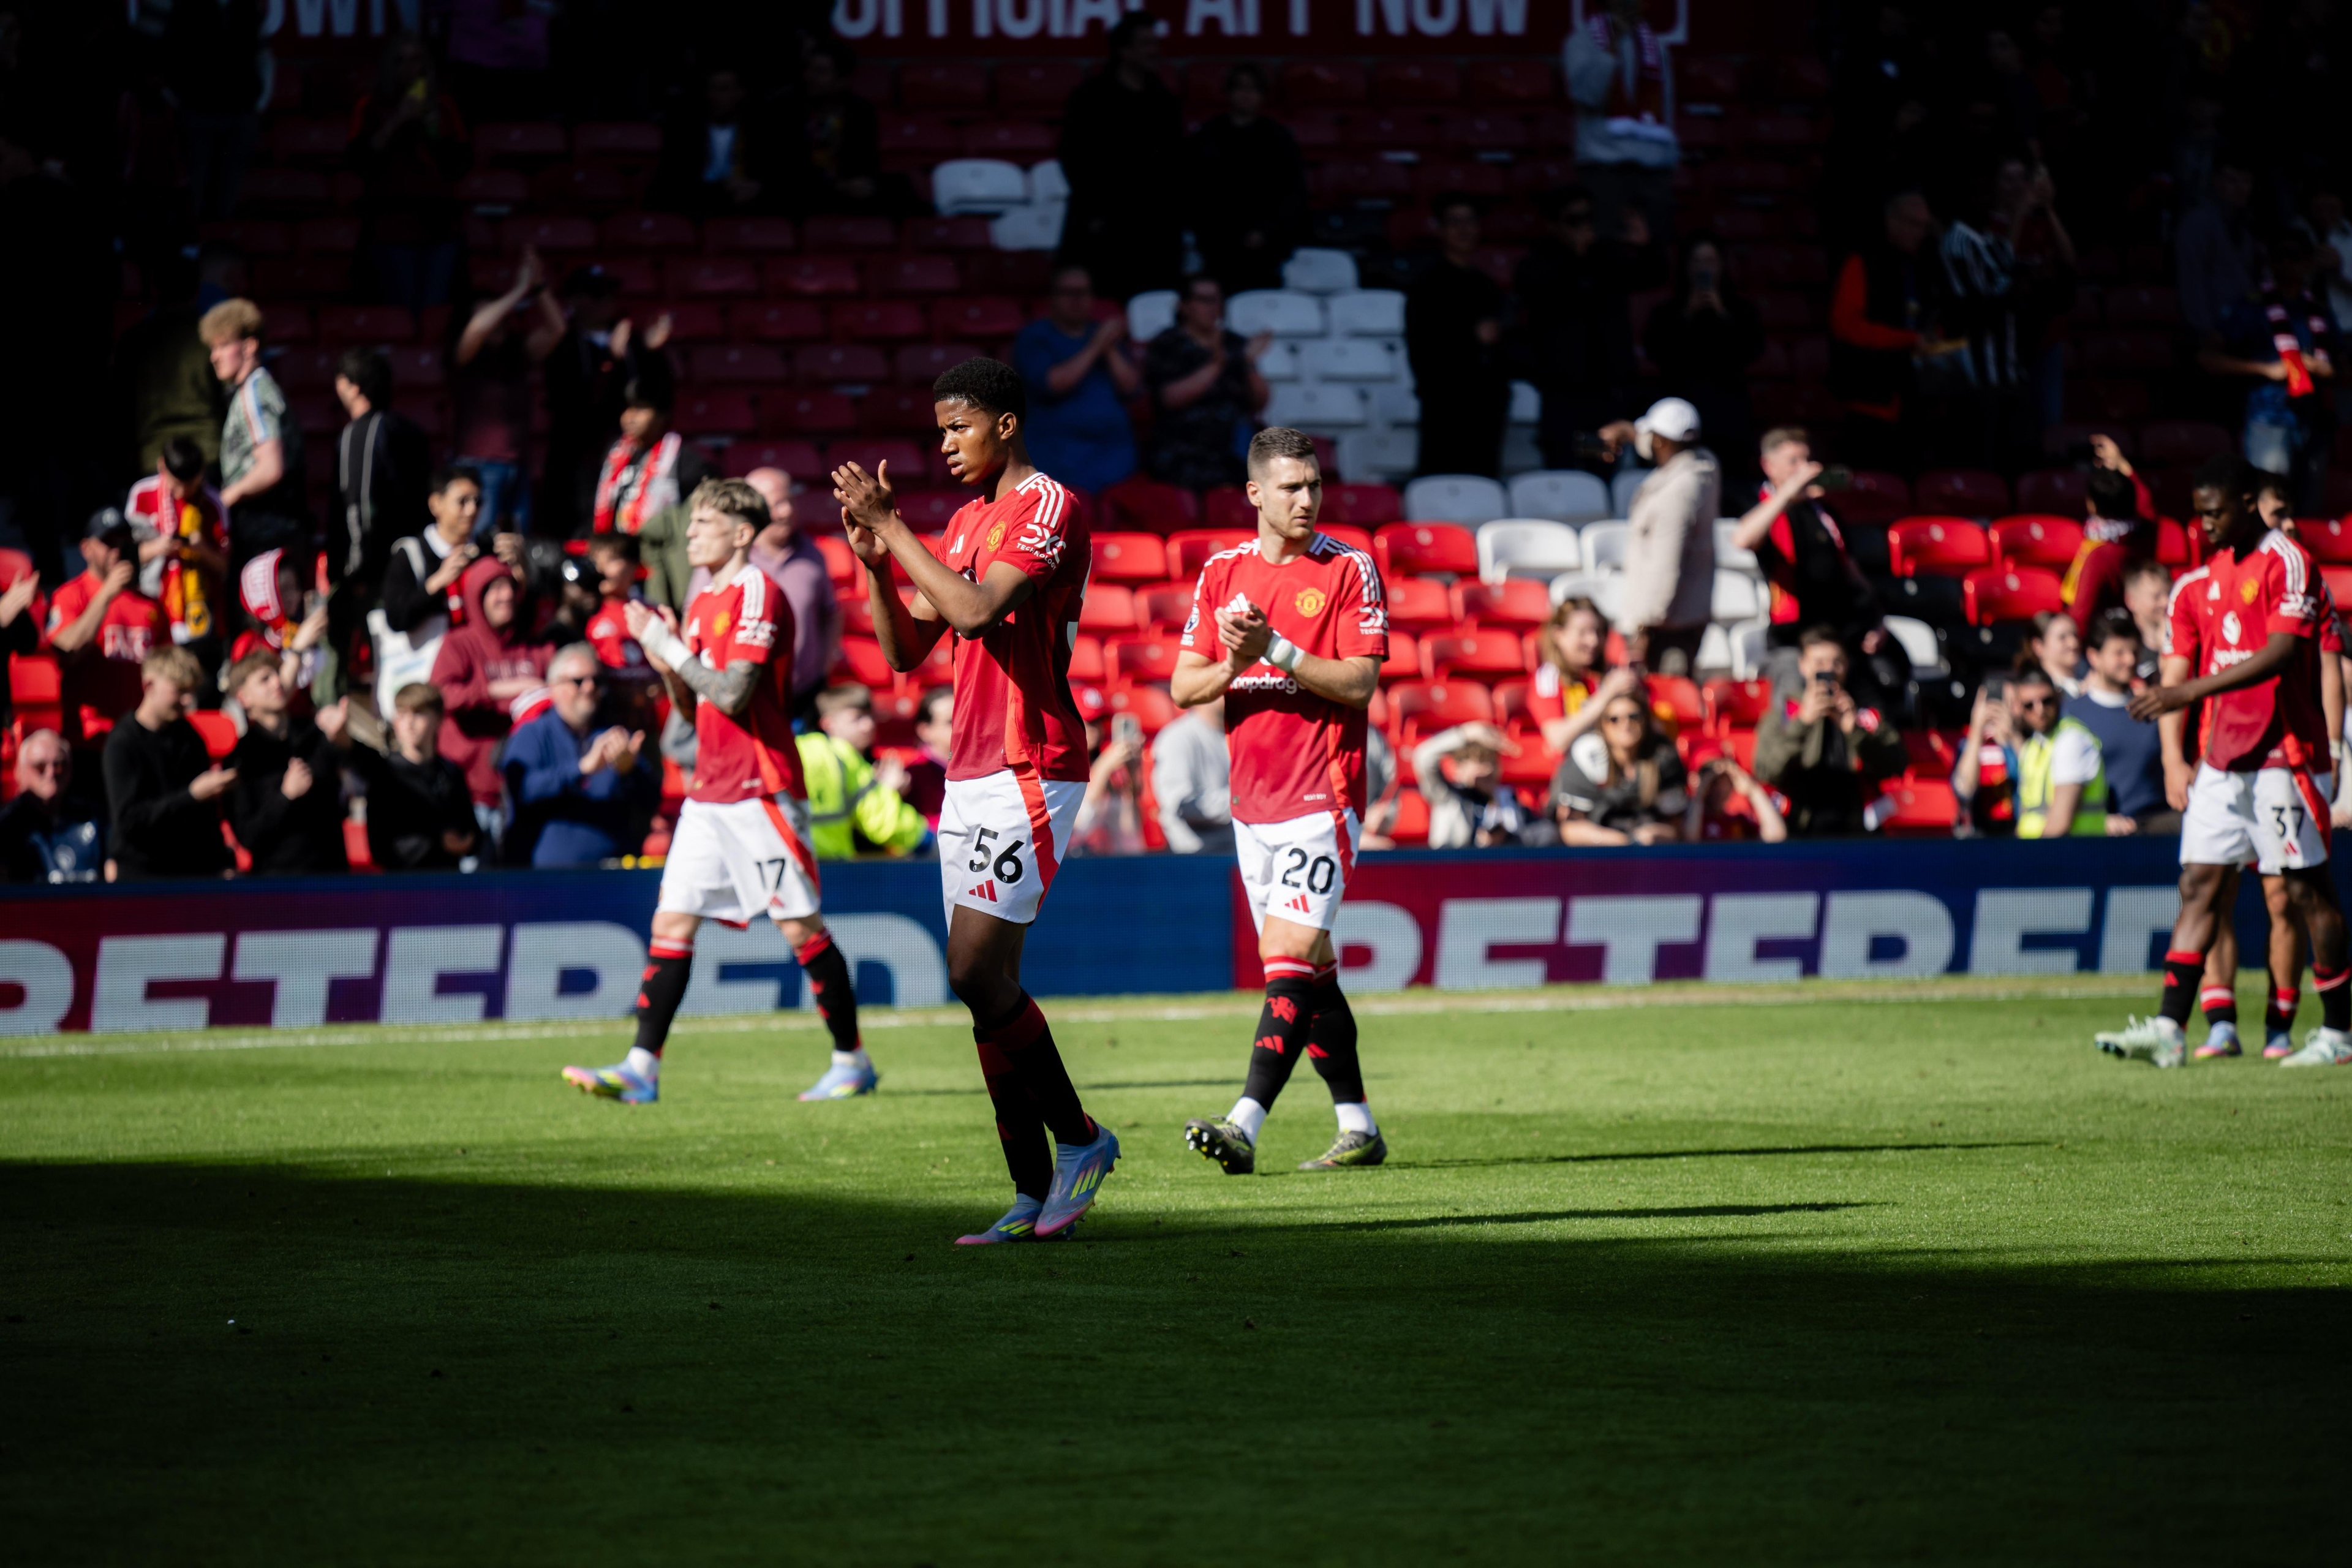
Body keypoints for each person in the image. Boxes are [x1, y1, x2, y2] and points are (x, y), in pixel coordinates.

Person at [835, 356, 1118, 1244]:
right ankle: (1032, 1193)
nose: (945, 444)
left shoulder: (1047, 506)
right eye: (939, 430)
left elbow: (970, 611)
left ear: (1003, 423)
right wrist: (877, 563)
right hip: (970, 771)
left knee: (971, 973)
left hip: (1031, 760)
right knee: (985, 985)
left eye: (957, 426)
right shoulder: (964, 519)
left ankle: (1081, 1139)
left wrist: (895, 524)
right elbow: (907, 651)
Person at [563, 478, 870, 1106]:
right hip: (710, 788)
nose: (692, 532)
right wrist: (667, 659)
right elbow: (692, 701)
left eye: (704, 522)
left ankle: (852, 1059)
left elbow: (733, 693)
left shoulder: (759, 591)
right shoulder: (704, 600)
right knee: (672, 919)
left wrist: (669, 646)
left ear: (740, 532)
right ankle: (641, 1067)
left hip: (762, 787)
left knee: (800, 927)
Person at [1169, 428, 1389, 1174]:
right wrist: (1234, 659)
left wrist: (1279, 652)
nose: (1307, 498)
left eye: (1315, 484)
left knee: (1287, 959)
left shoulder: (1348, 568)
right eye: (1290, 486)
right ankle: (1358, 1127)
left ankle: (1244, 1123)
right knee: (1313, 969)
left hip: (1321, 796)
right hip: (1251, 806)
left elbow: (1360, 683)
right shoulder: (1222, 573)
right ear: (1256, 494)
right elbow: (1183, 687)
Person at [2097, 456, 2352, 1069]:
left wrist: (2185, 692)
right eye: (2199, 512)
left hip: (2284, 755)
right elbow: (2178, 669)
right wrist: (2173, 749)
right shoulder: (2194, 585)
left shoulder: (2287, 563)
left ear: (2245, 503)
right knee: (2199, 885)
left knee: (2304, 890)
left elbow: (2282, 652)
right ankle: (2169, 1027)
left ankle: (2338, 1032)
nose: (2205, 523)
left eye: (2215, 512)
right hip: (2221, 758)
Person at [1512, 186, 1667, 474]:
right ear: (1555, 225)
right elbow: (1535, 291)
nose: (1584, 227)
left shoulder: (1606, 260)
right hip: (1564, 398)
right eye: (1574, 220)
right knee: (1565, 473)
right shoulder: (1539, 264)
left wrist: (1645, 246)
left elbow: (1654, 276)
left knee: (1601, 468)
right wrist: (1575, 256)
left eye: (1589, 219)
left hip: (1604, 395)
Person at [1733, 428, 1900, 679]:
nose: (1804, 468)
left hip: (1841, 632)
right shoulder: (1761, 505)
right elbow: (1743, 539)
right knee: (1795, 684)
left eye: (1807, 460)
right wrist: (1787, 493)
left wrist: (1877, 619)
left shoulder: (1826, 513)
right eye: (1794, 461)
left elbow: (1853, 574)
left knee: (1889, 674)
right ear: (1768, 465)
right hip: (1794, 637)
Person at [2199, 234, 2338, 512]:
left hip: (2314, 422)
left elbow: (2342, 364)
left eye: (2296, 256)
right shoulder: (2252, 306)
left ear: (2309, 262)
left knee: (2309, 510)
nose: (2289, 263)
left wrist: (2328, 369)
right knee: (2269, 507)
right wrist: (2265, 369)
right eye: (2282, 256)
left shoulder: (2319, 309)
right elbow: (2207, 358)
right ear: (2271, 262)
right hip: (2268, 418)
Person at [1056, 14, 1184, 302]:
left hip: (1154, 232)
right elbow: (1074, 159)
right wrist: (1097, 211)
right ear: (1123, 51)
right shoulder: (1091, 97)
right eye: (1146, 44)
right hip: (1104, 229)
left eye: (1156, 43)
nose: (1155, 51)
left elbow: (1175, 164)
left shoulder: (1164, 101)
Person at [429, 556, 554, 837]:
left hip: (526, 789)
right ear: (477, 596)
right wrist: (500, 690)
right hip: (470, 792)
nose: (507, 596)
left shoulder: (536, 647)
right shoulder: (458, 643)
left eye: (510, 588)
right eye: (496, 588)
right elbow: (440, 697)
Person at [348, 31, 472, 312]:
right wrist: (397, 121)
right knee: (398, 311)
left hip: (440, 227)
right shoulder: (369, 106)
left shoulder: (444, 106)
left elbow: (459, 166)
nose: (409, 68)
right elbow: (359, 163)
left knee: (435, 311)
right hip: (390, 226)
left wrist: (431, 127)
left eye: (416, 60)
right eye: (400, 60)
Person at [502, 642, 657, 867]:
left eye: (596, 681)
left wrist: (630, 771)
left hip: (611, 878)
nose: (589, 688)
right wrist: (582, 768)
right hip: (543, 881)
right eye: (578, 681)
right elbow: (522, 789)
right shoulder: (532, 734)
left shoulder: (613, 736)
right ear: (554, 687)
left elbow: (650, 801)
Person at [328, 347, 432, 679]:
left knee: (369, 667)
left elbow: (360, 507)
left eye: (341, 381)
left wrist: (356, 569)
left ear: (355, 386)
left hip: (376, 574)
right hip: (413, 563)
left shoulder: (361, 433)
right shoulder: (412, 430)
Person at [450, 247, 564, 538]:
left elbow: (557, 329)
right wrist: (518, 291)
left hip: (517, 464)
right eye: (492, 315)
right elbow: (477, 328)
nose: (496, 323)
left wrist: (537, 287)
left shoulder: (517, 356)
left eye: (501, 318)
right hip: (479, 467)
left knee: (516, 547)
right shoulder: (464, 357)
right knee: (479, 544)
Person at [1829, 192, 1943, 475]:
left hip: (1919, 404)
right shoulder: (1863, 261)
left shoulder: (1927, 265)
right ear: (1890, 220)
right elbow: (1846, 326)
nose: (1918, 232)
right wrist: (1909, 340)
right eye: (1911, 223)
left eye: (1923, 225)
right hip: (1870, 403)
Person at [1754, 627, 1907, 837]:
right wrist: (1803, 723)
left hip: (1858, 832)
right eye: (1820, 663)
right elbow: (1767, 771)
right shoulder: (1782, 717)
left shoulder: (1866, 716)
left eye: (1837, 662)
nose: (1830, 670)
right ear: (1803, 665)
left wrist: (1855, 730)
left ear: (1847, 665)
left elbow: (1896, 765)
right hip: (1800, 831)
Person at [102, 646, 236, 880]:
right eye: (180, 691)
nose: (187, 700)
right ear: (149, 686)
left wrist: (221, 863)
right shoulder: (123, 743)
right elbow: (129, 821)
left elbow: (205, 817)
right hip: (142, 874)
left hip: (187, 871)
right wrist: (191, 795)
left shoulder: (190, 738)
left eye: (191, 691)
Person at [1610, 397, 1719, 677]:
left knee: (1668, 702)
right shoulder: (1703, 468)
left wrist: (1645, 627)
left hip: (1667, 627)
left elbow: (1666, 563)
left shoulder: (1678, 492)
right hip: (1683, 616)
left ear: (1660, 441)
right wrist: (1627, 432)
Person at [542, 266, 654, 535]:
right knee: (580, 526)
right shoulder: (563, 342)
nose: (606, 303)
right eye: (596, 295)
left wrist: (649, 352)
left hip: (623, 450)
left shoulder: (632, 341)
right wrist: (610, 361)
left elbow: (648, 394)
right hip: (577, 455)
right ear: (576, 300)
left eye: (608, 295)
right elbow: (576, 400)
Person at [1406, 194, 1510, 478]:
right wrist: (1470, 337)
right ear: (1440, 230)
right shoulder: (1426, 286)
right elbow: (1423, 349)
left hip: (1486, 408)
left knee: (1483, 485)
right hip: (1445, 407)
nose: (1464, 229)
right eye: (1455, 222)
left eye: (1470, 221)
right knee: (1442, 484)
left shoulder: (1487, 286)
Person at [46, 509, 170, 744]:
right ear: (86, 549)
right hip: (90, 736)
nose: (117, 551)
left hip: (141, 737)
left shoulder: (151, 605)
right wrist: (107, 593)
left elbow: (169, 669)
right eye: (108, 543)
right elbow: (66, 651)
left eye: (124, 542)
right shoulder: (71, 595)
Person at [1182, 63, 1308, 295]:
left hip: (1267, 248)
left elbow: (1292, 193)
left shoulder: (1277, 137)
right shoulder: (1209, 135)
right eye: (1240, 88)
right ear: (1229, 93)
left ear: (1262, 95)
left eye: (1253, 89)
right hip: (1219, 246)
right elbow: (1196, 190)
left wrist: (1265, 232)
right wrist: (1217, 235)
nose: (1246, 95)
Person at [1013, 266, 1139, 496]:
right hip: (1059, 456)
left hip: (1112, 454)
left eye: (1083, 292)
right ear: (1052, 298)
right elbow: (1053, 384)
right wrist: (1096, 347)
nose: (1077, 300)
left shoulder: (1103, 335)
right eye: (1068, 293)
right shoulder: (1035, 337)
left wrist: (1109, 349)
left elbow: (1131, 387)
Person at [222, 650, 350, 875]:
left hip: (331, 878)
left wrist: (346, 741)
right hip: (278, 886)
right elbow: (248, 836)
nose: (277, 683)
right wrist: (285, 796)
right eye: (265, 679)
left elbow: (358, 788)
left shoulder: (317, 734)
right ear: (243, 697)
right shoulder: (241, 759)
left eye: (277, 675)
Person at [1641, 234, 1765, 465]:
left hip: (1728, 414)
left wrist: (1723, 316)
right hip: (1682, 410)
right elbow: (1657, 352)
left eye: (1710, 261)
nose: (1704, 268)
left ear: (1721, 265)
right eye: (1697, 261)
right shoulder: (1667, 312)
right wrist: (1687, 315)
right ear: (1686, 266)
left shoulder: (1741, 311)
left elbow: (1751, 351)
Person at [202, 298, 307, 566]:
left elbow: (271, 468)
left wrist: (225, 498)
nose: (214, 357)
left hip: (267, 532)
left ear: (249, 346)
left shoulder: (255, 391)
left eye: (224, 345)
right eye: (212, 348)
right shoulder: (249, 390)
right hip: (270, 528)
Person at [1141, 274, 1270, 492]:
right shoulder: (1167, 343)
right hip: (1183, 450)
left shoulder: (1235, 343)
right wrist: (1219, 364)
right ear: (1184, 306)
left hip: (1233, 449)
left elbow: (1260, 402)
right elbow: (1169, 399)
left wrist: (1247, 364)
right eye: (1204, 300)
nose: (1213, 308)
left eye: (1217, 300)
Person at [1562, 0, 1680, 237]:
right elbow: (1588, 96)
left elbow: (1666, 117)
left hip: (1653, 174)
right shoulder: (1581, 41)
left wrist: (1668, 164)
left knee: (1655, 259)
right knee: (1607, 259)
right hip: (1605, 172)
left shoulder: (1657, 47)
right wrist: (1612, 45)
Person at [373, 466, 482, 714]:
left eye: (477, 501)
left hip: (473, 678)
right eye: (462, 501)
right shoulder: (410, 555)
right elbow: (397, 618)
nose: (472, 510)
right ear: (436, 504)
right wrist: (437, 582)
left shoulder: (483, 553)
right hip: (425, 681)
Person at [1955, 665, 2106, 838]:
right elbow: (1964, 789)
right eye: (2028, 704)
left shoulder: (2048, 740)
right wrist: (1977, 731)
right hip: (1994, 839)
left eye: (2011, 703)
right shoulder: (2035, 744)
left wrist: (2012, 737)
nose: (2039, 710)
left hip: (2040, 849)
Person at [345, 682, 479, 871]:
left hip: (448, 885)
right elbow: (380, 845)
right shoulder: (385, 772)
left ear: (438, 719)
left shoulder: (450, 772)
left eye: (418, 713)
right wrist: (438, 842)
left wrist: (466, 842)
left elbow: (471, 830)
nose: (409, 723)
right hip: (403, 886)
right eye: (402, 715)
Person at [123, 436, 228, 669]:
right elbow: (124, 557)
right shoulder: (141, 495)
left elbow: (226, 566)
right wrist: (161, 546)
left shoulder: (213, 504)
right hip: (152, 608)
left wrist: (201, 549)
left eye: (190, 484)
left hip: (199, 613)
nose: (182, 491)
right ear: (162, 466)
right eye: (176, 483)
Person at [742, 467, 838, 719]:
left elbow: (831, 614)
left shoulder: (812, 554)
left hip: (804, 696)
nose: (786, 512)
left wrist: (822, 670)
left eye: (789, 502)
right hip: (748, 699)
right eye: (776, 505)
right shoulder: (731, 556)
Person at [2065, 614, 2172, 835]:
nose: (2131, 660)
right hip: (2104, 835)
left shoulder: (2153, 708)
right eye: (2119, 653)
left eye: (2134, 652)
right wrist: (2098, 821)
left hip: (2159, 826)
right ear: (2094, 657)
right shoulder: (2073, 714)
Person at [796, 683, 927, 859]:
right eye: (857, 719)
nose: (869, 725)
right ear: (828, 723)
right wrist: (929, 842)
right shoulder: (842, 755)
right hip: (830, 866)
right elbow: (883, 823)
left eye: (870, 716)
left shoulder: (799, 746)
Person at [1551, 689, 1687, 846]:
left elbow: (1676, 827)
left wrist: (1652, 835)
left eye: (1634, 717)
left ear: (1645, 720)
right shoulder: (1587, 755)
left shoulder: (1663, 756)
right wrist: (1624, 842)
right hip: (1598, 854)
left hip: (1650, 857)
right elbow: (1570, 828)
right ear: (1602, 724)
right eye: (1614, 719)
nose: (1626, 724)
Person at [653, 65, 778, 219]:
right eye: (711, 89)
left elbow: (774, 180)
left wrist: (757, 188)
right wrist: (722, 190)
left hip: (748, 212)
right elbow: (671, 185)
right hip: (698, 210)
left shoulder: (761, 135)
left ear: (741, 93)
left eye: (723, 89)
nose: (715, 97)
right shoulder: (686, 135)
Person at [2062, 451, 2155, 634]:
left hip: (2104, 640)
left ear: (2092, 505)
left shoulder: (2100, 555)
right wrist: (2123, 464)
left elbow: (2081, 617)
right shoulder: (2143, 534)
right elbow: (2147, 504)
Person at [578, 533, 660, 734]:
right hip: (602, 722)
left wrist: (658, 687)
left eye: (612, 560)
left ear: (633, 567)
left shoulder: (652, 613)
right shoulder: (584, 614)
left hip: (650, 722)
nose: (602, 569)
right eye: (596, 561)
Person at [1528, 596, 1630, 754]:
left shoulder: (1607, 675)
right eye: (1583, 633)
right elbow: (1558, 739)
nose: (1593, 640)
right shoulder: (1549, 678)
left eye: (1598, 632)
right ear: (1559, 634)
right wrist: (1607, 696)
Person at [2175, 154, 2262, 340]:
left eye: (2247, 181)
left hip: (2242, 327)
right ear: (2216, 182)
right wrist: (2204, 330)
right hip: (2210, 332)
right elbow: (2192, 281)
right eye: (2233, 181)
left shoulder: (2249, 224)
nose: (2241, 188)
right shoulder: (2197, 223)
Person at [1415, 722, 1540, 847]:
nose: (1488, 770)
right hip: (1455, 865)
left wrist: (1509, 838)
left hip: (1503, 866)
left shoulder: (1509, 800)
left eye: (1492, 762)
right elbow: (1424, 757)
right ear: (1458, 770)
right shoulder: (1448, 797)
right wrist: (1469, 733)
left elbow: (1545, 831)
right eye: (1480, 762)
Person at [0, 729, 102, 883]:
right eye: (40, 767)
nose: (51, 773)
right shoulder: (7, 827)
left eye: (59, 765)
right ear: (19, 772)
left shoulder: (93, 818)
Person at [1151, 695, 1233, 854]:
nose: (1232, 693)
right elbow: (1181, 805)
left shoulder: (1236, 735)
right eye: (1225, 688)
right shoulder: (1178, 737)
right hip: (1192, 857)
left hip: (1234, 850)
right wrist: (1240, 803)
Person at [1069, 712, 1147, 857]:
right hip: (1077, 865)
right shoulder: (1063, 771)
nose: (1096, 730)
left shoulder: (1115, 771)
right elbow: (1079, 829)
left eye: (1098, 723)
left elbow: (1131, 832)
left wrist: (1133, 771)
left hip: (1111, 864)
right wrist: (1103, 768)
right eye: (1089, 723)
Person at [1685, 755, 1789, 843]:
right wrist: (1699, 796)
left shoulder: (1739, 821)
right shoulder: (1691, 818)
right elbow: (1689, 842)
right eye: (1714, 782)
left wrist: (1754, 790)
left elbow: (1776, 837)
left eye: (1727, 781)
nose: (1720, 789)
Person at [904, 685, 952, 826]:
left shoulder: (978, 767)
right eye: (950, 722)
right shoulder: (915, 775)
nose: (961, 727)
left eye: (964, 719)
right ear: (925, 730)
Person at [2122, 558, 2172, 684]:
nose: (2166, 602)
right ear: (2131, 601)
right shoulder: (2123, 649)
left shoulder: (2185, 640)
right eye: (2156, 597)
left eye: (2169, 593)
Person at [2022, 611, 2082, 697]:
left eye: (2075, 635)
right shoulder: (2037, 697)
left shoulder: (2089, 686)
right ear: (2038, 646)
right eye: (2062, 637)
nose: (2074, 644)